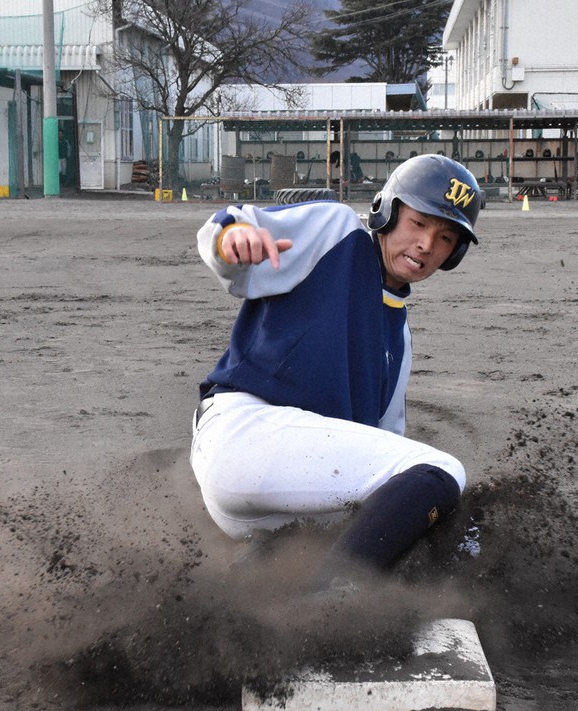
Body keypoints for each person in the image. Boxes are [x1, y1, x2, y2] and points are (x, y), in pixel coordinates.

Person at [190, 154, 481, 586]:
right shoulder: (336, 233)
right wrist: (232, 241)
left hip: (280, 499)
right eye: (418, 223)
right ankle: (330, 606)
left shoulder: (398, 340)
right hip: (243, 432)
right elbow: (227, 229)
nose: (425, 244)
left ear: (452, 254)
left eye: (444, 237)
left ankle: (260, 592)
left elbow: (382, 455)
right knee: (442, 473)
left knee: (427, 514)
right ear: (388, 211)